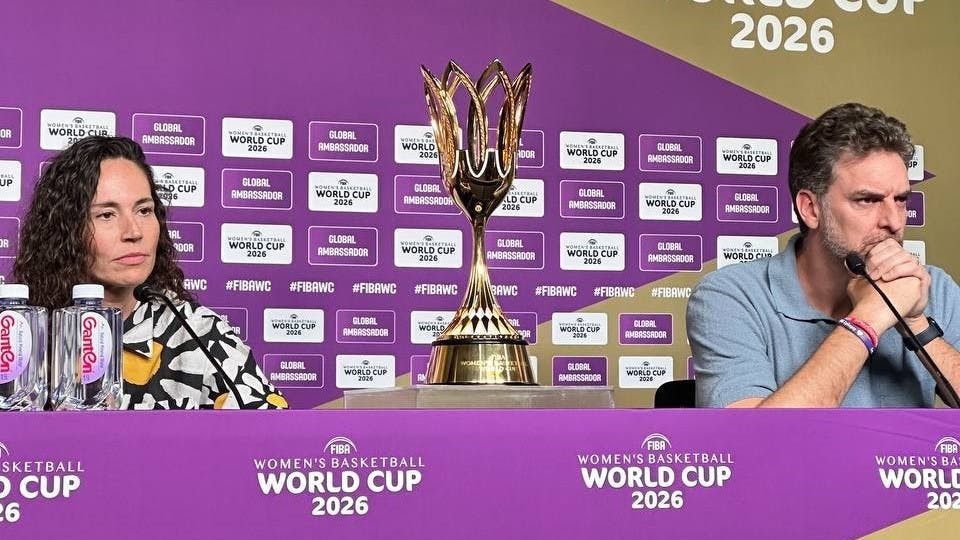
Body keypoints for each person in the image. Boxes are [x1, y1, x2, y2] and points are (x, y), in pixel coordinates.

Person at [688, 103, 960, 407]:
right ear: (811, 209)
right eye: (867, 200)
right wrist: (869, 317)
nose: (894, 222)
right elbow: (753, 434)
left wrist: (915, 321)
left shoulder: (931, 287)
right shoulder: (732, 296)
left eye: (900, 199)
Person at [14, 136, 287, 409]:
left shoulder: (197, 331)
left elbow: (274, 429)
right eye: (107, 215)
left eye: (144, 210)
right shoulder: (17, 333)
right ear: (65, 231)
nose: (134, 232)